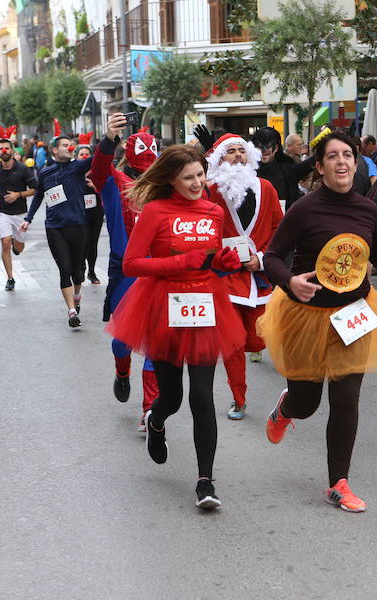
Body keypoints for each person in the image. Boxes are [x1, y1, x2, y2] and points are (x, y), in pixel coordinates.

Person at [257, 131, 377, 513]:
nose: (342, 162)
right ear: (320, 167)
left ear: (356, 164)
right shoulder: (304, 210)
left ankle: (338, 482)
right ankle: (286, 409)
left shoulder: (367, 209)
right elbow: (272, 256)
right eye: (333, 157)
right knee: (308, 403)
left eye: (348, 156)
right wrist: (289, 280)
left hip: (352, 315)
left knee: (345, 399)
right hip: (305, 315)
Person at [107, 144, 244, 509]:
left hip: (206, 307)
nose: (198, 182)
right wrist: (185, 260)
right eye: (189, 177)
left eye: (201, 175)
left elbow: (212, 261)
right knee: (172, 397)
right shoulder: (154, 210)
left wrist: (225, 263)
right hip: (164, 307)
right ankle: (156, 421)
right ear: (171, 179)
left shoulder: (214, 212)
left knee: (202, 396)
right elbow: (132, 265)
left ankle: (205, 482)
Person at [204, 133, 283, 420]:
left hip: (259, 279)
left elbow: (279, 230)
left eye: (241, 150)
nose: (237, 155)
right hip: (225, 280)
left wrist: (261, 259)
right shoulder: (211, 191)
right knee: (233, 345)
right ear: (219, 159)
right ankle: (239, 399)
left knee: (257, 340)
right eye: (230, 152)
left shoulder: (266, 188)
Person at [91, 114, 161, 430]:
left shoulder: (166, 185)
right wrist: (108, 140)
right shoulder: (116, 183)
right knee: (122, 342)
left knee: (155, 342)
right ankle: (122, 370)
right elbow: (98, 171)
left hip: (159, 270)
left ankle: (149, 411)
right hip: (126, 269)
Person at [22, 134, 93, 327]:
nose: (69, 148)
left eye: (71, 145)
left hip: (77, 225)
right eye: (64, 145)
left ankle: (77, 295)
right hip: (54, 227)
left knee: (78, 272)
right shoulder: (45, 172)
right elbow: (38, 196)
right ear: (54, 150)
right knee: (64, 270)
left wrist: (112, 138)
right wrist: (28, 219)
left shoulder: (78, 167)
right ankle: (71, 312)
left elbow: (99, 157)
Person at [0, 138, 36, 291]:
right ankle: (10, 278)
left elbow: (35, 189)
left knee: (19, 249)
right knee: (5, 242)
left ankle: (16, 243)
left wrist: (18, 195)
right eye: (1, 149)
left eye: (6, 148)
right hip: (3, 213)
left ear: (12, 151)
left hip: (20, 213)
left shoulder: (23, 169)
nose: (4, 151)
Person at [75, 140, 104, 285]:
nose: (84, 156)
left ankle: (91, 272)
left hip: (96, 213)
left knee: (93, 243)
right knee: (82, 243)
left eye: (87, 154)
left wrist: (95, 185)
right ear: (77, 157)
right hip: (79, 214)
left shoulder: (98, 172)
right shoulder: (74, 172)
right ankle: (81, 268)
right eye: (82, 154)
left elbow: (107, 189)